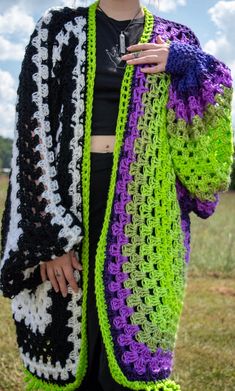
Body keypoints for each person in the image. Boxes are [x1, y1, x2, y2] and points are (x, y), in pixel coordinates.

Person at [0, 0, 233, 390]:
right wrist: (48, 238)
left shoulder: (176, 39)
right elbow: (32, 136)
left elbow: (206, 161)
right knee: (71, 341)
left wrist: (187, 64)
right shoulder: (58, 30)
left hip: (147, 214)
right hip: (67, 207)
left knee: (135, 352)